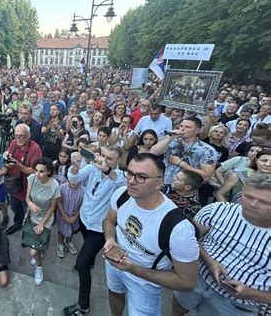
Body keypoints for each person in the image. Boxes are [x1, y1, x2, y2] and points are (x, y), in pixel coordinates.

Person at [102, 153, 199, 316]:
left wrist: (135, 270)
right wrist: (110, 239)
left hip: (145, 283)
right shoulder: (122, 194)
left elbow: (187, 282)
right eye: (130, 173)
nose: (131, 181)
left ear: (159, 183)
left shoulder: (179, 228)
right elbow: (109, 220)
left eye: (141, 177)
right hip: (114, 264)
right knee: (114, 292)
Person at [172, 174, 271, 316]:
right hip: (196, 280)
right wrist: (210, 262)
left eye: (264, 202)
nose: (253, 204)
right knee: (178, 308)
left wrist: (252, 293)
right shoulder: (218, 210)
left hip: (236, 304)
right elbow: (190, 237)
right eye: (248, 197)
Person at [63, 145, 126, 316]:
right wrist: (75, 165)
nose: (103, 160)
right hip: (85, 219)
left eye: (109, 158)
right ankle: (90, 260)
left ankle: (83, 306)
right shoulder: (91, 167)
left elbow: (117, 181)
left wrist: (106, 168)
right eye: (102, 155)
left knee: (81, 264)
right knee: (87, 253)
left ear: (118, 161)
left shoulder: (120, 177)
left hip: (100, 228)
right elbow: (73, 178)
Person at [25, 157, 61, 285]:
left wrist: (42, 223)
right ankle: (38, 255)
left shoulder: (55, 186)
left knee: (34, 250)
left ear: (49, 172)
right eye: (36, 170)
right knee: (36, 247)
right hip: (32, 216)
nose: (37, 174)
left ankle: (39, 267)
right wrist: (29, 203)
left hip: (46, 218)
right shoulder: (32, 178)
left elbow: (52, 207)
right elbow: (27, 197)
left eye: (41, 171)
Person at [151, 117, 218, 185]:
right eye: (181, 126)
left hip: (185, 189)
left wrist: (181, 163)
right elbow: (153, 152)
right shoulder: (171, 141)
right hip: (162, 184)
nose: (182, 129)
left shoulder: (207, 149)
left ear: (197, 130)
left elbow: (206, 176)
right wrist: (170, 138)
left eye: (187, 127)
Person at [3, 124, 42, 235]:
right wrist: (6, 156)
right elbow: (9, 156)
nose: (18, 139)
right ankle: (17, 224)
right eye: (16, 136)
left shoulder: (35, 149)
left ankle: (28, 232)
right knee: (16, 209)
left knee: (28, 212)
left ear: (29, 135)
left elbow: (35, 171)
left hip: (27, 188)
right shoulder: (13, 143)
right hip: (14, 186)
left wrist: (18, 165)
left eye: (22, 136)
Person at [56, 177, 84, 258]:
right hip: (62, 216)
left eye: (77, 180)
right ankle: (60, 243)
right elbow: (59, 202)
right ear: (68, 178)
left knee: (71, 231)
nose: (74, 183)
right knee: (61, 230)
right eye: (72, 179)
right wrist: (64, 215)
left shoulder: (83, 191)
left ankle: (68, 242)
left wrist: (75, 217)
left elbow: (83, 205)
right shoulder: (62, 188)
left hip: (74, 217)